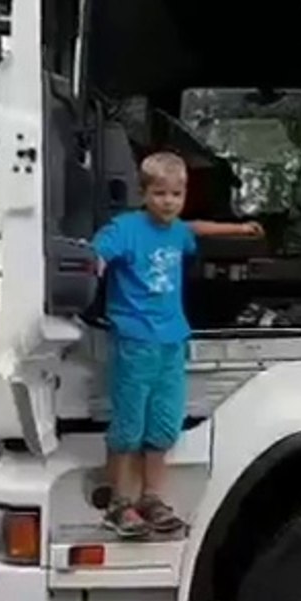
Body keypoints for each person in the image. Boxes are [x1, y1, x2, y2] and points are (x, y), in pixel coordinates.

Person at [92, 150, 263, 539]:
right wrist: (97, 263)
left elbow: (198, 228)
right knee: (129, 425)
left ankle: (152, 499)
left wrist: (239, 230)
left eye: (176, 194)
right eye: (160, 194)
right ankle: (120, 504)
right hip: (135, 340)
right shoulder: (126, 228)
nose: (168, 202)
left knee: (164, 426)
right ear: (143, 193)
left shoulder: (178, 232)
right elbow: (100, 248)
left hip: (172, 341)